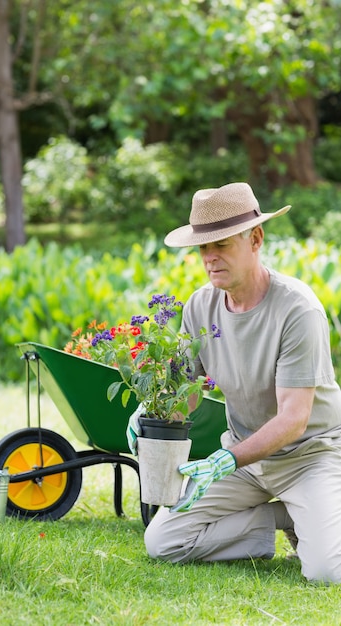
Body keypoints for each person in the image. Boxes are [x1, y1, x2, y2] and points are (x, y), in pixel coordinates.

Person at [128, 182, 341, 583]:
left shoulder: (298, 309)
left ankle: (314, 511)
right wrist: (151, 415)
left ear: (255, 238)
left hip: (311, 456)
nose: (210, 258)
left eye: (221, 244)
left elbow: (295, 419)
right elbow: (186, 397)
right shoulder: (200, 305)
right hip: (246, 459)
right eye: (202, 248)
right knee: (163, 543)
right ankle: (280, 518)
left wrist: (228, 459)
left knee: (328, 572)